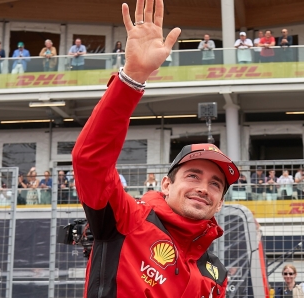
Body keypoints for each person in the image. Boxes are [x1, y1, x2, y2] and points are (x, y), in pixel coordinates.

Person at [71, 1, 233, 296]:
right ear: (166, 184)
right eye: (193, 176)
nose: (203, 188)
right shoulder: (127, 218)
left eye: (215, 184)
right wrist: (132, 78)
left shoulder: (216, 272)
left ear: (219, 202)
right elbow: (89, 160)